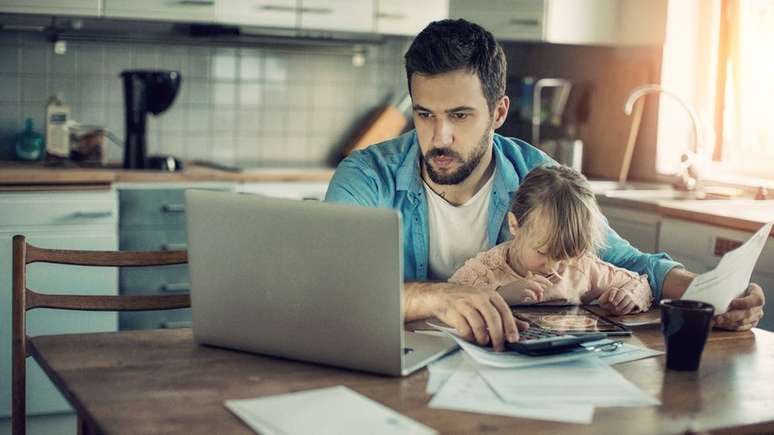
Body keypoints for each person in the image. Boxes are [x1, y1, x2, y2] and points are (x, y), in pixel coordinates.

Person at [324, 19, 765, 351]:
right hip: (396, 362)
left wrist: (711, 295)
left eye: (460, 115)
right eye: (425, 114)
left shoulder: (537, 176)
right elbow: (332, 285)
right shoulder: (366, 176)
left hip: (508, 368)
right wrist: (438, 298)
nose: (439, 137)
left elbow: (627, 260)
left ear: (498, 113)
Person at [449, 165, 653, 315]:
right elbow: (448, 301)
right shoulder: (487, 271)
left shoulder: (581, 268)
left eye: (566, 255)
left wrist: (627, 298)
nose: (555, 268)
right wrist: (501, 295)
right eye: (543, 252)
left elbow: (639, 283)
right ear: (514, 225)